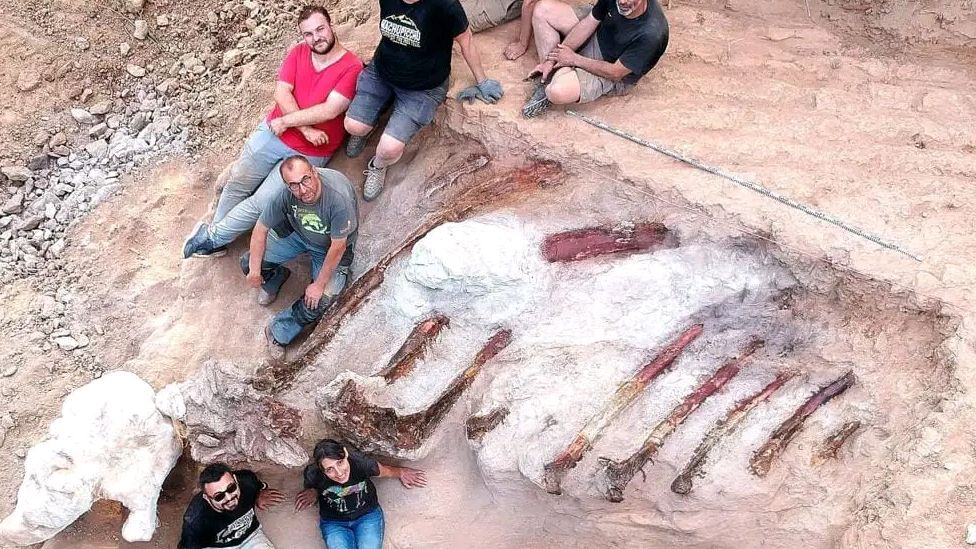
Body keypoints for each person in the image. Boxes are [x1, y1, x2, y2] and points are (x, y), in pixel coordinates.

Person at [183, 5, 363, 258]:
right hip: (276, 131)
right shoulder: (298, 52)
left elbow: (331, 110)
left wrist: (290, 123)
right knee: (238, 182)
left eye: (320, 29)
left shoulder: (351, 66)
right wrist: (303, 128)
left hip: (309, 151)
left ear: (330, 25)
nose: (316, 38)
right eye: (308, 34)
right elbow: (281, 92)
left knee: (262, 202)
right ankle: (220, 239)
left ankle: (212, 238)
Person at [343, 0, 503, 202]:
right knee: (353, 126)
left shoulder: (445, 5)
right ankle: (369, 124)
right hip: (382, 72)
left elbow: (466, 40)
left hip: (423, 87)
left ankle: (378, 165)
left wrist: (483, 80)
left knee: (388, 148)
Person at [241, 155, 358, 357]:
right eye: (294, 185)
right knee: (249, 262)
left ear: (314, 171)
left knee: (319, 300)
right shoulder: (286, 195)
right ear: (287, 186)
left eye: (306, 180)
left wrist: (319, 285)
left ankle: (278, 331)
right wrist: (254, 271)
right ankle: (275, 279)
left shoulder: (337, 198)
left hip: (329, 247)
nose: (303, 191)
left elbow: (338, 247)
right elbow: (260, 229)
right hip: (299, 235)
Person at [520, 0, 668, 117]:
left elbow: (616, 73)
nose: (622, 2)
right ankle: (553, 70)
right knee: (542, 9)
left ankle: (554, 78)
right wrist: (552, 59)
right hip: (599, 36)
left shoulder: (651, 34)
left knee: (556, 92)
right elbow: (590, 22)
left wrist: (574, 59)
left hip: (612, 70)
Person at [294, 439, 427, 549]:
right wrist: (313, 493)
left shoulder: (361, 462)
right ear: (321, 470)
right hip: (334, 522)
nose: (339, 473)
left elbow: (384, 471)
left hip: (367, 515)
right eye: (330, 469)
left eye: (340, 463)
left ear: (345, 453)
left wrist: (402, 473)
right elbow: (314, 488)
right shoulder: (313, 473)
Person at [178, 463, 286, 549]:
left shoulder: (247, 481)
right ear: (207, 498)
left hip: (251, 538)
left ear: (236, 480)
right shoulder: (196, 518)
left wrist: (258, 494)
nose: (229, 498)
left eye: (231, 488)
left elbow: (258, 485)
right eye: (219, 496)